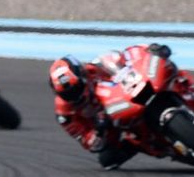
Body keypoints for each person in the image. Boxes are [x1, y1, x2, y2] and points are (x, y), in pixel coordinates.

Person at [48, 44, 194, 169]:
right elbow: (88, 141)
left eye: (76, 88)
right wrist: (99, 131)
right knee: (107, 160)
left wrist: (152, 50)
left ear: (83, 76)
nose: (75, 95)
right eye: (68, 94)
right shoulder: (65, 114)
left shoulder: (97, 67)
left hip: (131, 96)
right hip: (116, 127)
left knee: (181, 78)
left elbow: (131, 54)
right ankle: (151, 145)